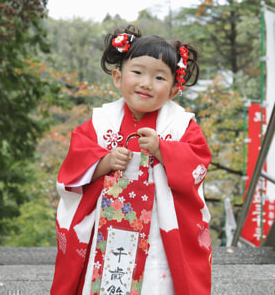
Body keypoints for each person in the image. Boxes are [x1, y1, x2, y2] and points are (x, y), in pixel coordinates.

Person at [50, 25, 212, 295]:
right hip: (108, 220)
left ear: (173, 90)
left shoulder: (180, 125)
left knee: (155, 279)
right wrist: (107, 161)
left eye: (159, 77)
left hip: (159, 226)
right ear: (117, 77)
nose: (146, 83)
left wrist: (163, 150)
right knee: (108, 275)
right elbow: (73, 170)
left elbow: (198, 164)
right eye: (137, 72)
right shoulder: (102, 121)